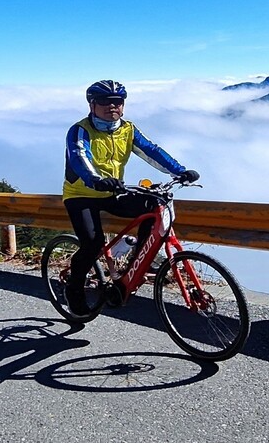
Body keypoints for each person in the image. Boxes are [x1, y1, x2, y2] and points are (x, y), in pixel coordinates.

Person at [62, 80, 199, 317]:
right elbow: (79, 158)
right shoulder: (80, 129)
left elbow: (152, 151)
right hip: (82, 194)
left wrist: (180, 171)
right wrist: (95, 179)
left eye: (117, 102)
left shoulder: (128, 129)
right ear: (92, 105)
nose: (112, 106)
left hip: (113, 192)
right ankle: (74, 291)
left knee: (153, 207)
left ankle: (137, 265)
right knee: (92, 244)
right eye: (104, 102)